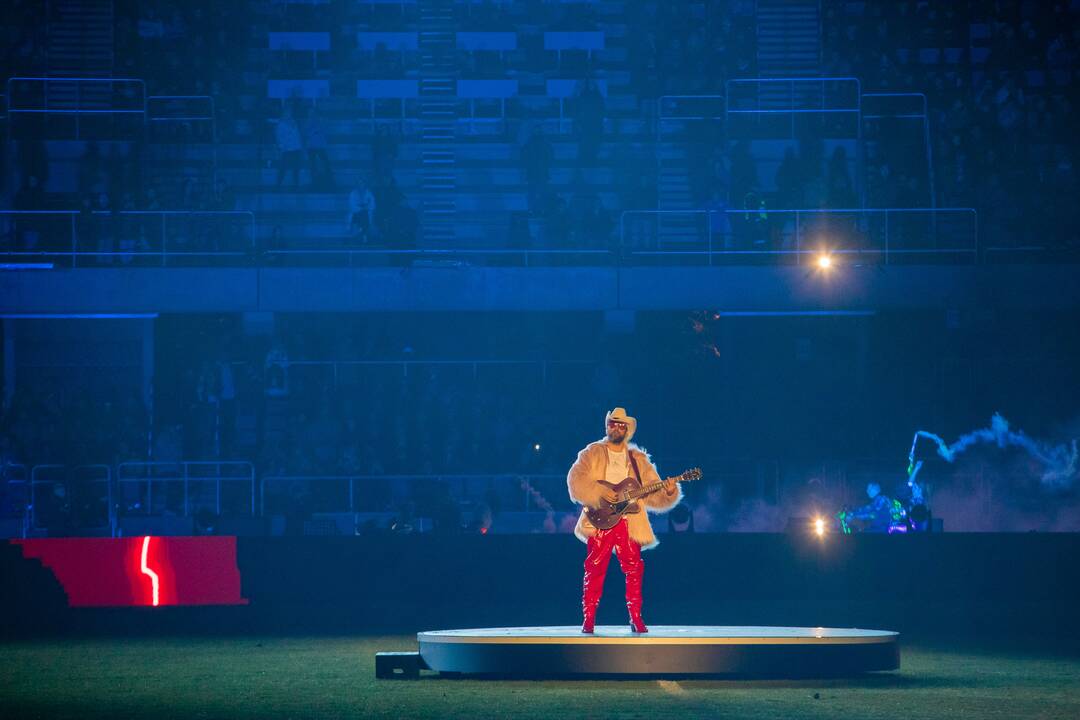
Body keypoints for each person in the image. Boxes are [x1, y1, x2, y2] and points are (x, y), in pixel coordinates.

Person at [567, 407, 681, 634]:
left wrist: (669, 491)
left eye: (621, 425)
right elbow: (575, 479)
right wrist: (598, 491)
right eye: (613, 423)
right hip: (600, 518)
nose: (616, 428)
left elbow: (654, 495)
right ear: (607, 425)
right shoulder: (592, 452)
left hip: (630, 521)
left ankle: (635, 617)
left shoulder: (638, 460)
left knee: (634, 569)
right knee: (594, 568)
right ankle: (589, 618)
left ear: (627, 430)